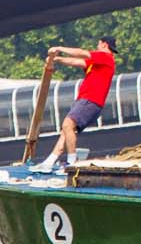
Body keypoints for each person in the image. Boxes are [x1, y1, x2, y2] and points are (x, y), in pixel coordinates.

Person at [30, 36, 118, 174]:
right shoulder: (96, 62)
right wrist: (57, 59)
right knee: (66, 131)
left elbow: (81, 53)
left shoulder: (105, 57)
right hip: (86, 100)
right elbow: (77, 62)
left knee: (67, 125)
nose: (97, 46)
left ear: (104, 44)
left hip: (90, 100)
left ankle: (72, 163)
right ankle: (49, 162)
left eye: (98, 44)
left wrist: (59, 48)